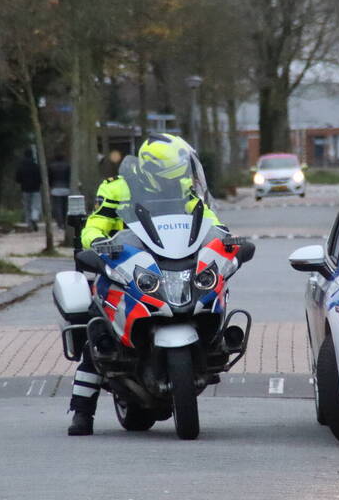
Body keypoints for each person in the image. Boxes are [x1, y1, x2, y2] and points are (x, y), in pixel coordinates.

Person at [67, 133, 223, 435]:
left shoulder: (183, 189)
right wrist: (98, 242)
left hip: (173, 263)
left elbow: (207, 218)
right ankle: (82, 412)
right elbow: (96, 222)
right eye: (176, 168)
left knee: (208, 293)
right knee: (97, 330)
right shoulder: (118, 187)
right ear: (155, 167)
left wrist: (222, 236)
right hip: (126, 266)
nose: (181, 174)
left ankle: (212, 346)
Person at [14, 150, 42, 231]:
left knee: (27, 207)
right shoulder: (36, 166)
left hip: (25, 189)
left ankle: (29, 224)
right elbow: (40, 178)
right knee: (35, 205)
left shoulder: (21, 166)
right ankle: (34, 218)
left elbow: (17, 179)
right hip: (36, 189)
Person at [47, 153, 71, 229]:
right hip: (66, 188)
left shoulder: (51, 167)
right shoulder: (67, 166)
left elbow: (49, 178)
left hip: (55, 188)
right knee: (65, 206)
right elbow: (69, 177)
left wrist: (50, 186)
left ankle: (59, 223)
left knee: (58, 207)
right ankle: (65, 221)